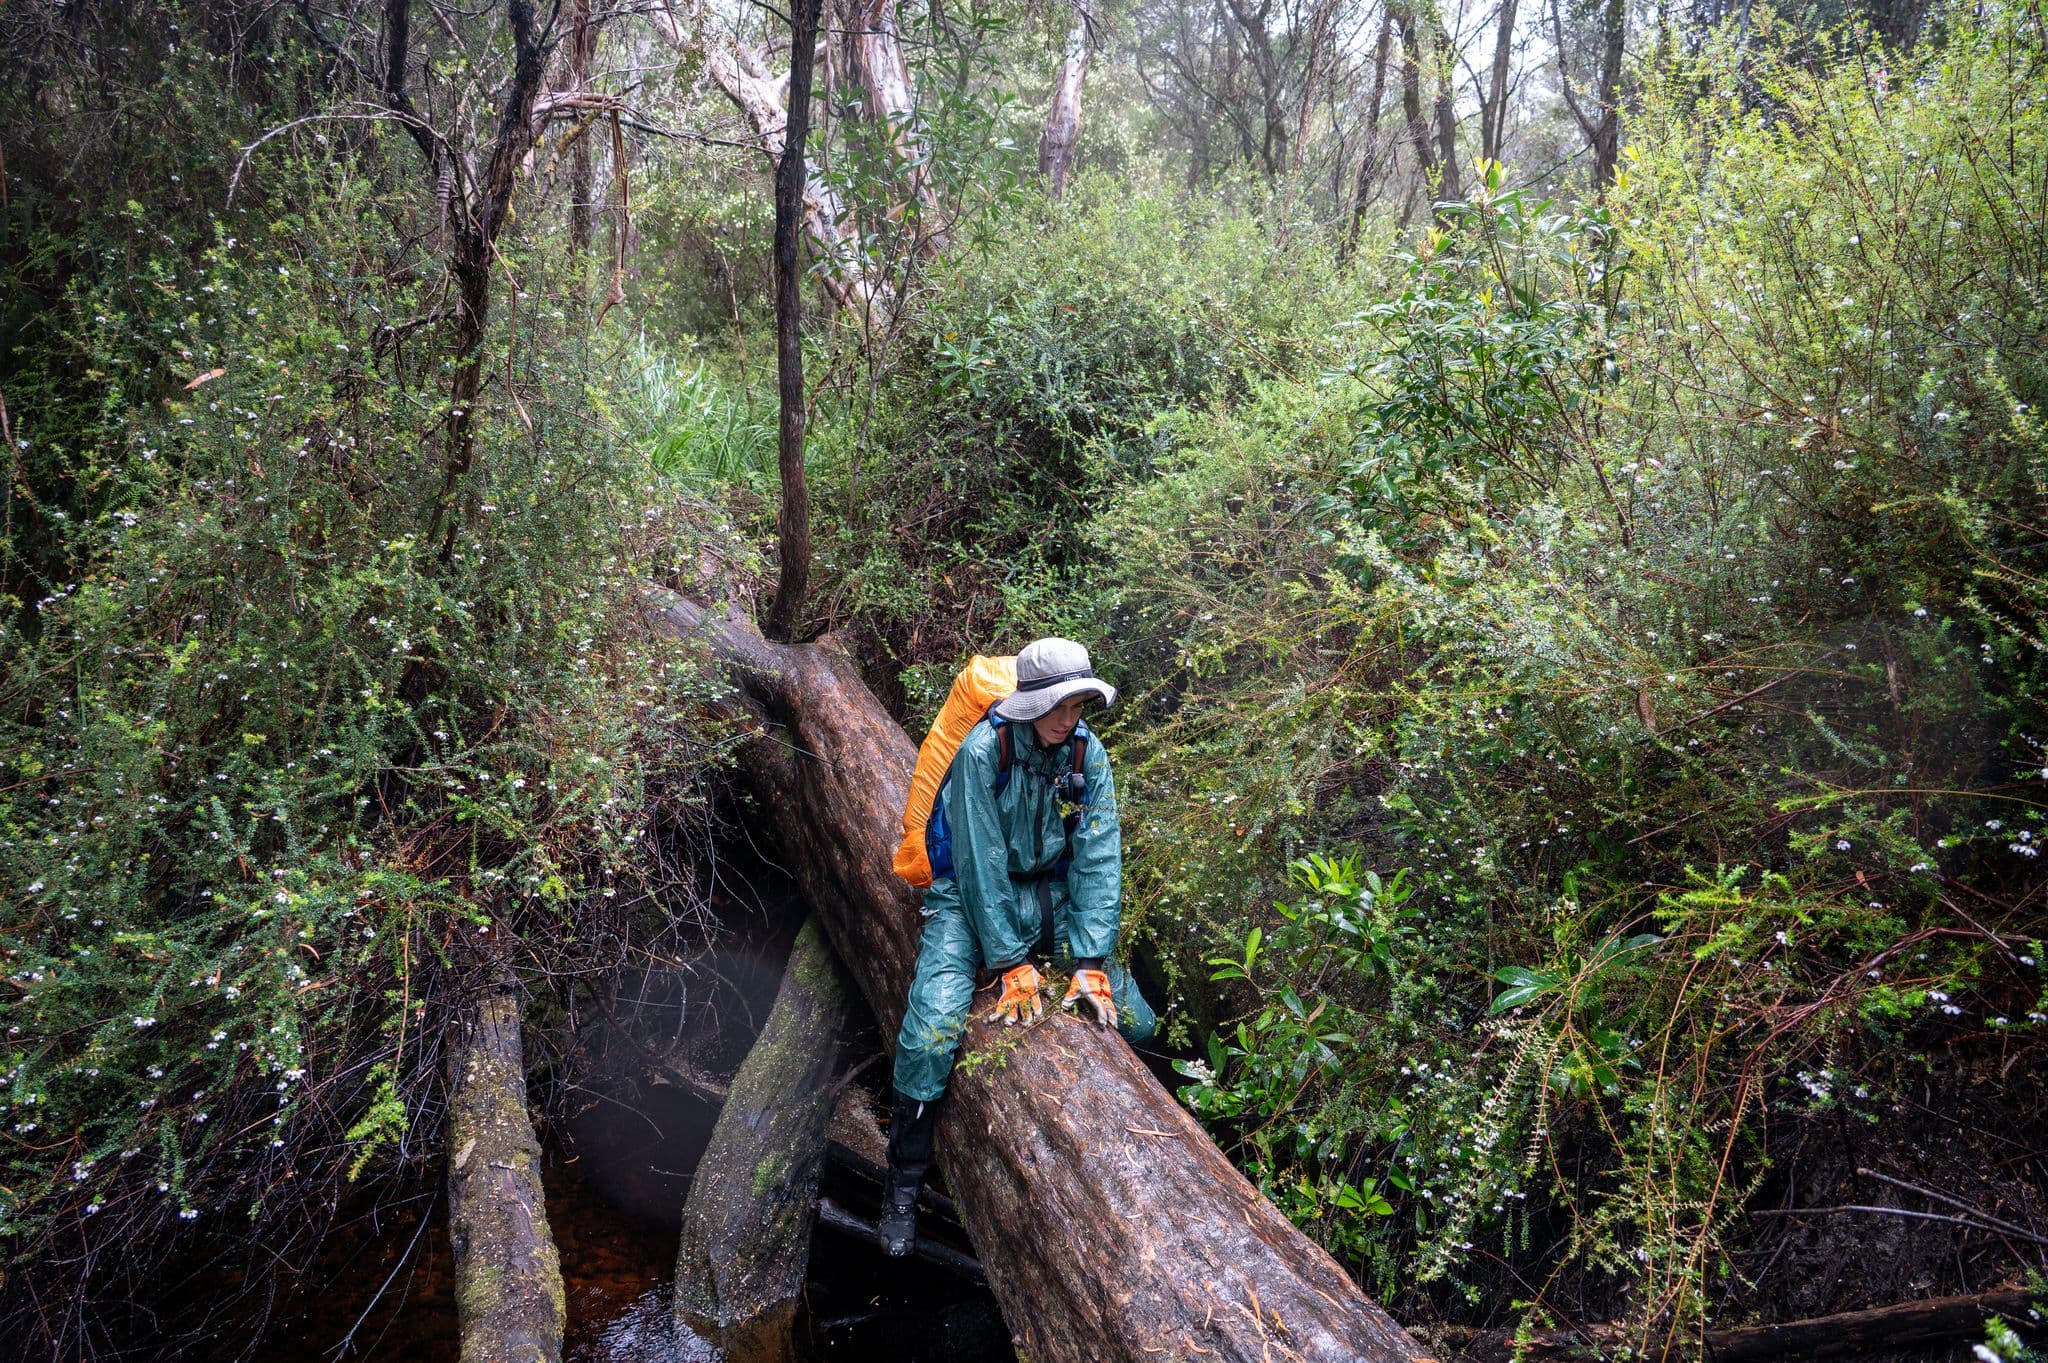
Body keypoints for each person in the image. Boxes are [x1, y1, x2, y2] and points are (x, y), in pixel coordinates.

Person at [878, 637, 1156, 1258]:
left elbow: (1097, 855)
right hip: (968, 896)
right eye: (1058, 704)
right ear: (1029, 701)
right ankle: (903, 1182)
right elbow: (978, 863)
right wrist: (1009, 962)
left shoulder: (1087, 752)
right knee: (931, 1028)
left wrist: (1088, 960)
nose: (1068, 716)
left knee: (1136, 1021)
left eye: (1078, 703)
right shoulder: (985, 751)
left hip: (1047, 891)